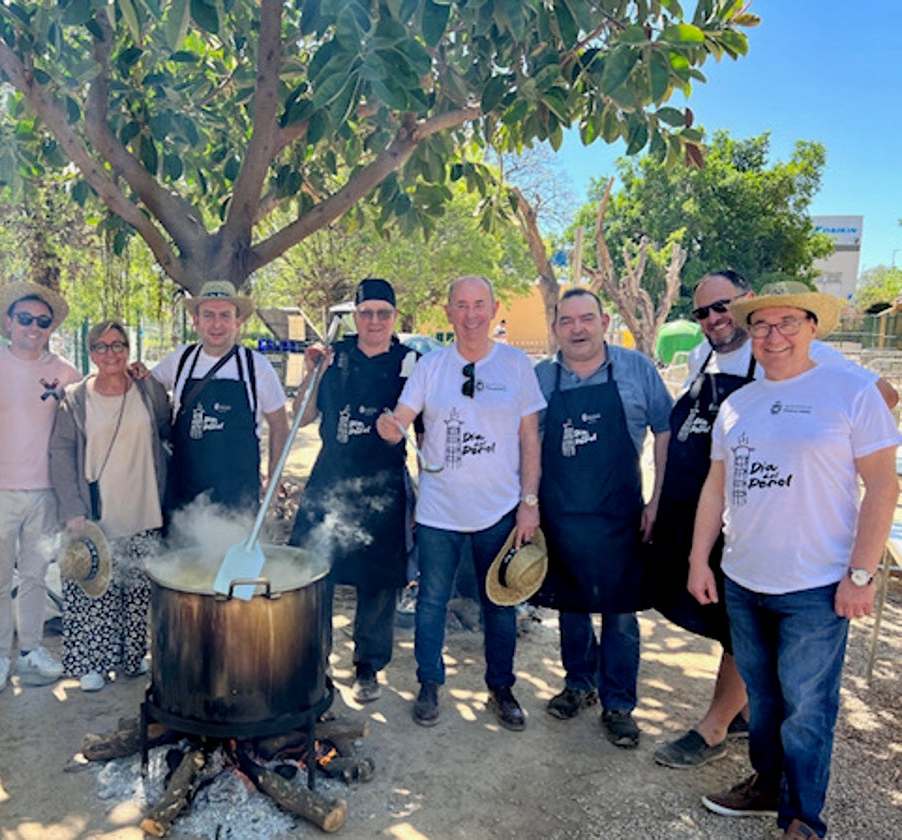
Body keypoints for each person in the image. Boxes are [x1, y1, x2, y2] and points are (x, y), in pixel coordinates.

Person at [650, 272, 898, 768]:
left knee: (741, 637)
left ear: (745, 302)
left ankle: (716, 727)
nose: (713, 319)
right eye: (702, 312)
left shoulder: (799, 352)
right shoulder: (704, 358)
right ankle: (745, 718)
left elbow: (883, 395)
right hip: (710, 517)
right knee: (732, 630)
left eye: (722, 306)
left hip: (765, 522)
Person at [376, 275, 543, 730]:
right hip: (439, 513)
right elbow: (403, 418)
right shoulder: (431, 368)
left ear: (493, 309)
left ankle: (502, 687)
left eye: (479, 305)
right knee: (430, 601)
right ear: (448, 313)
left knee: (500, 603)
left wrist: (529, 501)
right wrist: (389, 427)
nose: (470, 314)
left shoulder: (515, 365)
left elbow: (530, 437)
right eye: (461, 306)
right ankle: (429, 683)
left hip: (500, 510)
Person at [532, 288, 672, 749]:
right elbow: (526, 444)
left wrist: (658, 499)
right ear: (556, 328)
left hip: (620, 515)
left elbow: (665, 429)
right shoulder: (539, 377)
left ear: (604, 321)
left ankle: (619, 704)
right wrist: (527, 501)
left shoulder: (637, 369)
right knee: (571, 605)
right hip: (562, 514)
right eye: (567, 321)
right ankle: (578, 684)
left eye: (586, 319)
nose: (578, 329)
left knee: (619, 612)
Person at [290, 278, 419, 703]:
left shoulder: (410, 363)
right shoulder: (333, 356)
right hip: (331, 479)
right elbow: (303, 418)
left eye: (383, 313)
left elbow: (426, 432)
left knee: (380, 581)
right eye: (367, 313)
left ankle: (368, 666)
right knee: (314, 572)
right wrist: (311, 373)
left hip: (384, 483)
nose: (375, 321)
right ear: (355, 317)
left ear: (394, 317)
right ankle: (314, 663)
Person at [0, 282, 81, 695]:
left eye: (42, 321)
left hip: (45, 490)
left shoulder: (66, 373)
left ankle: (30, 649)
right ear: (8, 322)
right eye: (25, 319)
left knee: (33, 574)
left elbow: (84, 422)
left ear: (51, 327)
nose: (33, 327)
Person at [50, 319, 171, 691]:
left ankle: (131, 656)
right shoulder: (75, 398)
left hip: (143, 503)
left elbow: (166, 426)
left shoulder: (147, 390)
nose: (110, 353)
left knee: (136, 589)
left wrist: (150, 379)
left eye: (118, 345)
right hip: (95, 509)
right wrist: (71, 507)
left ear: (128, 350)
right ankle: (92, 661)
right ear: (90, 353)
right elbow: (60, 453)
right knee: (93, 584)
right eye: (101, 347)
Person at [145, 280, 287, 526]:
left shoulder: (257, 367)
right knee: (181, 562)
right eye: (208, 315)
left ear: (238, 322)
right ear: (196, 321)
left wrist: (274, 480)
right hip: (184, 494)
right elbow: (146, 391)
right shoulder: (180, 360)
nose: (217, 324)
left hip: (238, 497)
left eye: (225, 316)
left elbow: (280, 425)